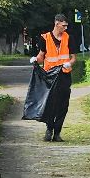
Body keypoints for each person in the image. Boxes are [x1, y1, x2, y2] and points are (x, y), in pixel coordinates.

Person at [32, 13, 76, 141]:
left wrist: (70, 63)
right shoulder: (45, 38)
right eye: (64, 25)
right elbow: (41, 56)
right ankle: (49, 129)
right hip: (49, 77)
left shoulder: (69, 38)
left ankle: (57, 133)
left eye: (66, 26)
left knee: (63, 105)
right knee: (50, 104)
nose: (65, 28)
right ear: (57, 23)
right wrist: (35, 60)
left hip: (64, 75)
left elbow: (73, 57)